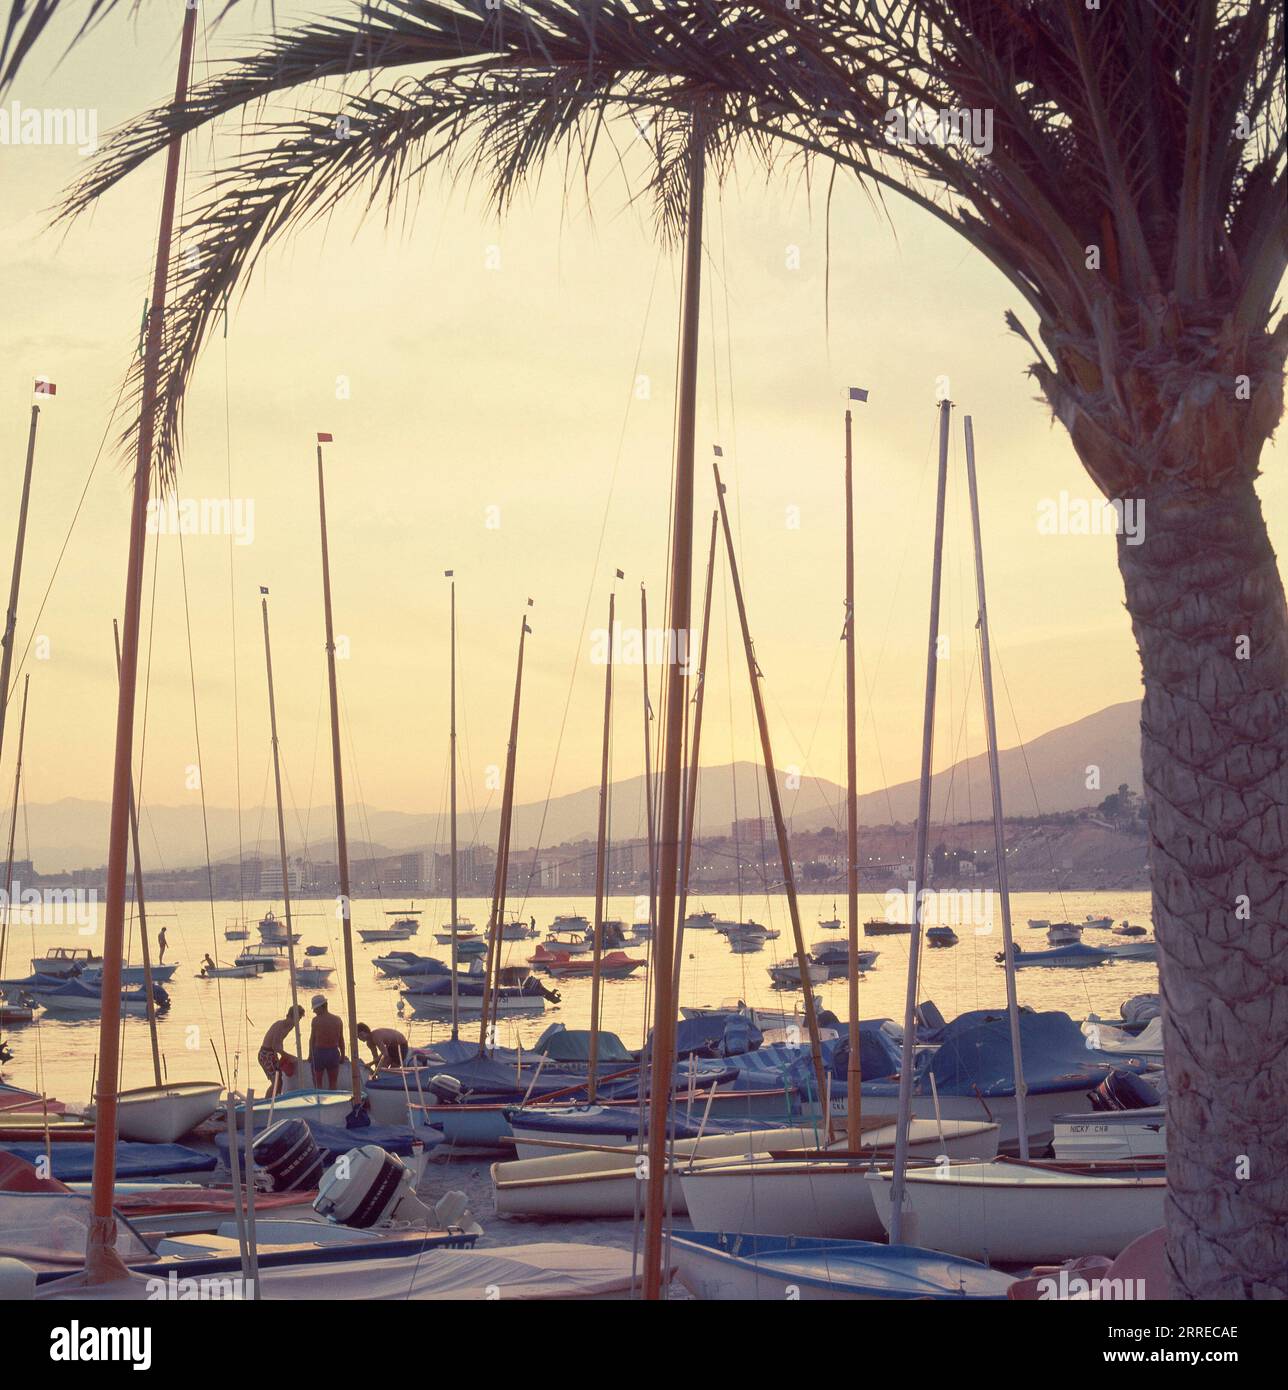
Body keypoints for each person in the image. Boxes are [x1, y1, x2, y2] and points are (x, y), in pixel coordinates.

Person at [258, 1005, 304, 1096]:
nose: (296, 1023)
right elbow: (275, 1046)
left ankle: (274, 1099)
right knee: (276, 1082)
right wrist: (288, 1056)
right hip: (265, 1054)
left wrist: (282, 1057)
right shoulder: (280, 1025)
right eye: (296, 1020)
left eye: (298, 1020)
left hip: (273, 1054)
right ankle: (268, 1101)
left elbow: (280, 1042)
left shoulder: (290, 1026)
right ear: (289, 1016)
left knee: (280, 1081)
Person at [309, 995, 346, 1089]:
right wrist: (342, 1055)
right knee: (333, 1083)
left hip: (319, 1053)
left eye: (315, 1009)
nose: (314, 1011)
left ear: (321, 1007)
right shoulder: (337, 1020)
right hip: (333, 1053)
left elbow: (312, 1040)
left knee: (318, 1084)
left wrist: (310, 1055)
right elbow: (341, 1039)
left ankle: (319, 1101)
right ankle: (333, 1102)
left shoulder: (315, 1020)